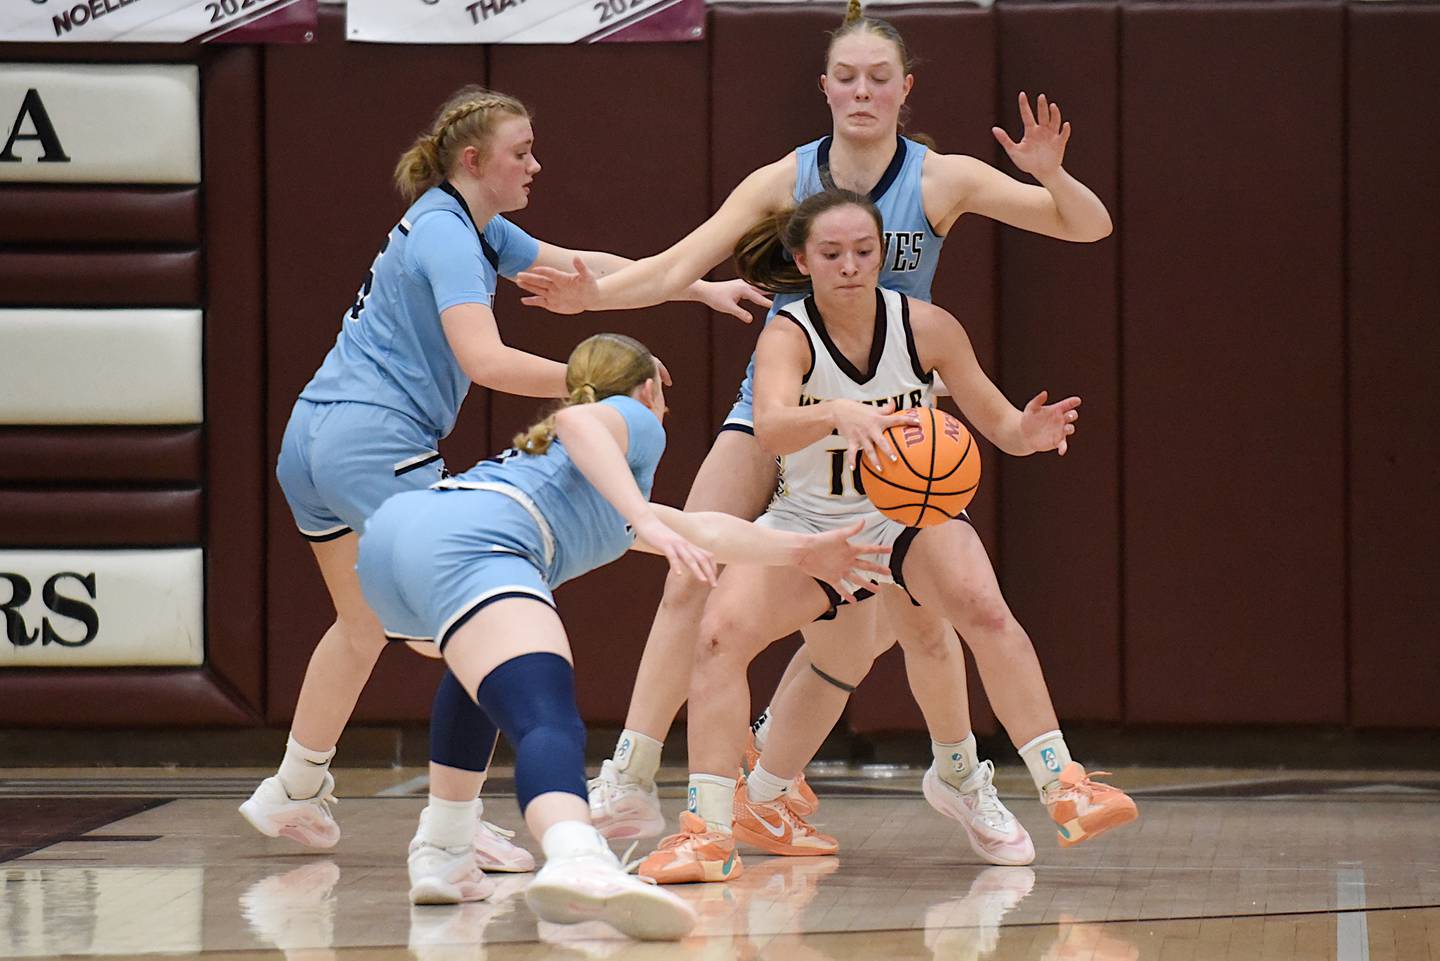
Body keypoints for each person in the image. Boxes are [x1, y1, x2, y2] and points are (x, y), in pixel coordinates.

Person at [517, 0, 1113, 862]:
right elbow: (678, 263)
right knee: (691, 568)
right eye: (848, 76)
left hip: (893, 422)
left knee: (928, 618)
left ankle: (958, 777)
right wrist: (594, 298)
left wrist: (1052, 174)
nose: (863, 90)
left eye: (881, 77)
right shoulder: (782, 180)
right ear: (824, 88)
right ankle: (633, 774)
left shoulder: (941, 178)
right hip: (790, 405)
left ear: (905, 90)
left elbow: (1086, 223)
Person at [237, 85, 765, 881]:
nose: (536, 164)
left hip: (312, 438)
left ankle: (294, 787)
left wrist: (697, 287)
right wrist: (605, 388)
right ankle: (456, 823)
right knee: (480, 624)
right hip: (372, 440)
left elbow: (587, 269)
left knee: (360, 623)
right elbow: (485, 362)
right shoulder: (449, 236)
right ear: (473, 160)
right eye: (521, 152)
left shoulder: (475, 226)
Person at [635, 190, 1137, 884]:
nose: (850, 266)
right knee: (719, 635)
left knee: (984, 612)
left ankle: (1065, 785)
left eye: (864, 252)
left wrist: (1029, 433)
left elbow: (995, 418)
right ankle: (706, 832)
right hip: (812, 520)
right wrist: (840, 410)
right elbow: (772, 426)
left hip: (907, 515)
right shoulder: (788, 334)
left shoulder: (928, 327)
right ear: (802, 259)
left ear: (885, 255)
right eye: (833, 253)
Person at [355, 332, 891, 935]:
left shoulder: (587, 487)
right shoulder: (633, 420)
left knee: (479, 672)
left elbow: (700, 530)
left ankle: (446, 848)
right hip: (471, 546)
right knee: (546, 715)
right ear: (646, 389)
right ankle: (577, 856)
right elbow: (583, 424)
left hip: (396, 548)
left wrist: (802, 550)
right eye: (659, 397)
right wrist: (640, 514)